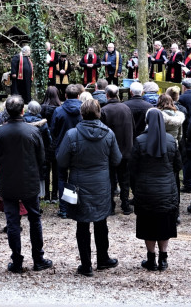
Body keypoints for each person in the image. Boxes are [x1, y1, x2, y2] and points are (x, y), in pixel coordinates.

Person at [56, 99, 122, 276]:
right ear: (99, 112)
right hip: (101, 183)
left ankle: (86, 265)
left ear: (81, 113)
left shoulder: (72, 134)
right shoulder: (108, 134)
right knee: (101, 222)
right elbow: (117, 160)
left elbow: (61, 161)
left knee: (82, 224)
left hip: (77, 183)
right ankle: (102, 259)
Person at [0, 95, 53, 273]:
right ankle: (38, 258)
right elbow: (41, 158)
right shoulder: (32, 131)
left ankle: (17, 260)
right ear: (22, 111)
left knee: (12, 222)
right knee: (34, 219)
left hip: (8, 181)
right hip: (29, 180)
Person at [131, 108, 182, 271]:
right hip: (167, 189)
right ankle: (164, 258)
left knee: (148, 224)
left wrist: (135, 187)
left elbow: (133, 167)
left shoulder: (140, 141)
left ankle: (151, 258)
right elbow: (178, 165)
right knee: (165, 224)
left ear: (147, 122)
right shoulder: (170, 141)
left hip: (146, 190)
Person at [100, 85, 134, 215]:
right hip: (126, 150)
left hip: (110, 151)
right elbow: (133, 128)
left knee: (110, 179)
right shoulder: (126, 108)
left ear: (107, 95)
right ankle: (125, 204)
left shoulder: (104, 110)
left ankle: (111, 206)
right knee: (124, 179)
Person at [50, 85, 82, 215]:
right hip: (79, 148)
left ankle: (64, 209)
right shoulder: (84, 110)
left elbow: (53, 131)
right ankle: (72, 206)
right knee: (75, 176)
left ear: (66, 96)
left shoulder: (59, 111)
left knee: (62, 177)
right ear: (78, 96)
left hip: (62, 148)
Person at [158, 93, 185, 191]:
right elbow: (180, 134)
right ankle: (176, 197)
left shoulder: (158, 115)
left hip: (160, 146)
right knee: (175, 172)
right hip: (174, 145)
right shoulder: (179, 116)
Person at [40, 87, 62, 200]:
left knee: (46, 168)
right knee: (56, 169)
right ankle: (54, 195)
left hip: (45, 142)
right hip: (57, 141)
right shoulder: (60, 108)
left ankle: (46, 194)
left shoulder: (42, 108)